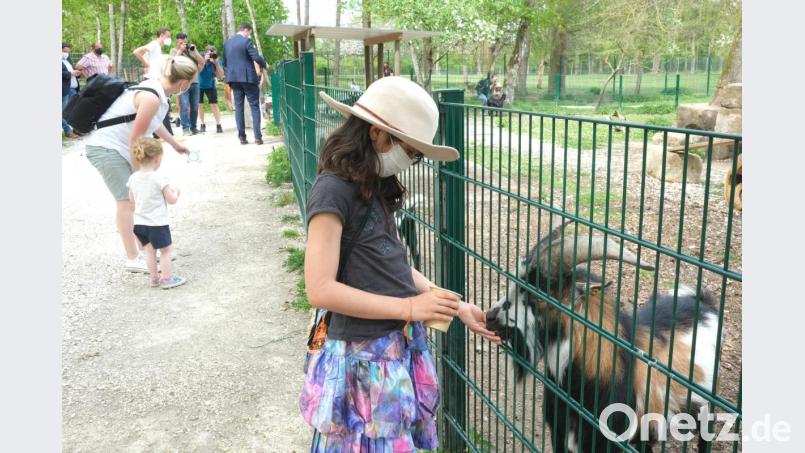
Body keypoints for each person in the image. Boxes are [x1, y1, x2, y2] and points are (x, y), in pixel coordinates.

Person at [300, 76, 501, 451]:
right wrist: (409, 307)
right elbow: (320, 289)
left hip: (391, 346)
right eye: (411, 152)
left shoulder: (370, 184)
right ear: (378, 134)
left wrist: (453, 306)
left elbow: (388, 262)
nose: (410, 161)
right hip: (361, 356)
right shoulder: (332, 191)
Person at [84, 55, 195, 273]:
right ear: (183, 83)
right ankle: (133, 257)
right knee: (126, 202)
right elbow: (135, 139)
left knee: (132, 202)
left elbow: (153, 123)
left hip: (116, 147)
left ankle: (145, 251)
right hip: (106, 148)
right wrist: (141, 175)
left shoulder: (157, 91)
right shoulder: (152, 97)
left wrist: (174, 144)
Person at [127, 138, 186, 289]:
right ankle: (167, 279)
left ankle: (154, 279)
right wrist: (176, 192)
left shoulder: (133, 178)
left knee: (149, 251)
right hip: (157, 223)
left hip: (140, 223)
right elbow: (171, 200)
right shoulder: (159, 178)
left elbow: (131, 201)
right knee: (165, 251)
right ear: (157, 158)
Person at [223, 23, 267, 145]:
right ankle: (258, 137)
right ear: (246, 30)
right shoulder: (246, 41)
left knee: (239, 108)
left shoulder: (227, 43)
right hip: (248, 79)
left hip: (233, 79)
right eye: (249, 33)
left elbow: (225, 62)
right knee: (254, 106)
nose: (249, 35)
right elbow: (256, 57)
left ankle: (242, 137)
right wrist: (265, 65)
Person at [133, 28, 174, 134]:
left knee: (162, 106)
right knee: (161, 105)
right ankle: (164, 134)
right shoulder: (154, 44)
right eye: (168, 36)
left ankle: (164, 133)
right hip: (152, 79)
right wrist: (146, 64)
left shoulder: (158, 48)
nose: (169, 39)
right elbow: (136, 52)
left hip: (156, 78)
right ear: (161, 35)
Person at [169, 33, 205, 135]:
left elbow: (202, 62)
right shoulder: (174, 50)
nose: (184, 43)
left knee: (194, 106)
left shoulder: (191, 51)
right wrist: (180, 50)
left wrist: (195, 51)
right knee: (184, 106)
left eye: (185, 41)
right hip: (182, 83)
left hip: (195, 82)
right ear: (177, 41)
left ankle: (193, 127)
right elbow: (172, 61)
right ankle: (185, 128)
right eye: (181, 41)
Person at [198, 45, 225, 133]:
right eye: (210, 52)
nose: (211, 55)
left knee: (214, 104)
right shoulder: (201, 57)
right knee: (200, 105)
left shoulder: (216, 59)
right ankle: (202, 124)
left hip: (210, 84)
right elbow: (198, 70)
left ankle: (218, 124)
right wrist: (204, 60)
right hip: (199, 84)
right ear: (206, 52)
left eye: (213, 53)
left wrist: (216, 63)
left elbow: (220, 75)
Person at [62, 43, 81, 138]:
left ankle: (76, 129)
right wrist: (70, 73)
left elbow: (72, 70)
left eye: (68, 50)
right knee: (64, 111)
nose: (67, 52)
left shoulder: (67, 60)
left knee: (75, 109)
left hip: (73, 88)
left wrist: (77, 72)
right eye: (65, 50)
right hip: (64, 89)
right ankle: (67, 131)